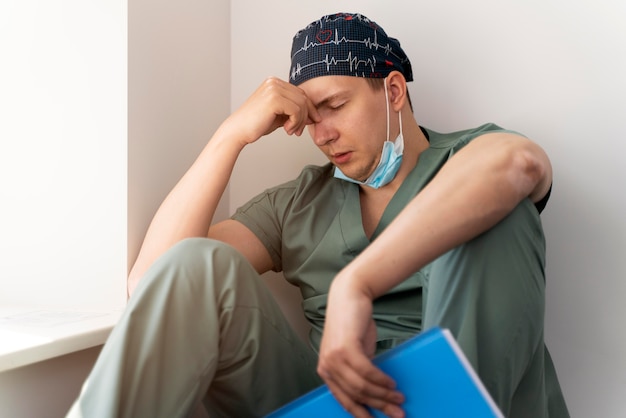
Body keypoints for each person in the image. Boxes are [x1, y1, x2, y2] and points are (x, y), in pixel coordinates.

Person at [66, 12, 569, 418]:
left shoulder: (469, 157)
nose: (322, 134)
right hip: (327, 404)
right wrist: (231, 135)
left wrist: (358, 284)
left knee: (503, 209)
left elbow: (520, 163)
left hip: (456, 399)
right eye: (310, 117)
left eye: (335, 105)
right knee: (195, 264)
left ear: (393, 91)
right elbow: (154, 282)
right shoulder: (299, 202)